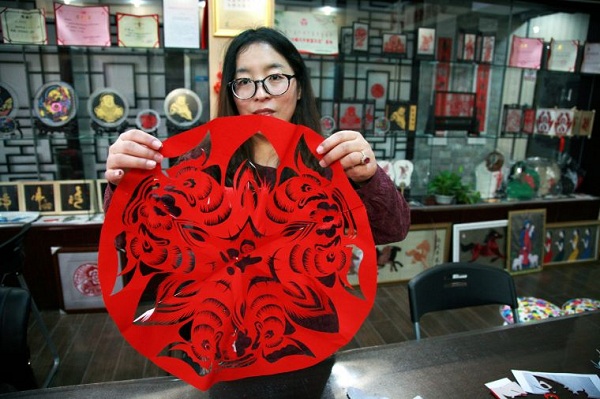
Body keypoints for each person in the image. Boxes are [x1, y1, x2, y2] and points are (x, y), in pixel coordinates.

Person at [104, 27, 409, 245]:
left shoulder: (330, 160)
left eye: (275, 77)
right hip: (214, 326)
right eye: (245, 81)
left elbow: (392, 230)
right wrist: (125, 185)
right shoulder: (200, 163)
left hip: (309, 329)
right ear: (232, 94)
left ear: (299, 87)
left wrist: (368, 178)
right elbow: (131, 239)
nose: (261, 94)